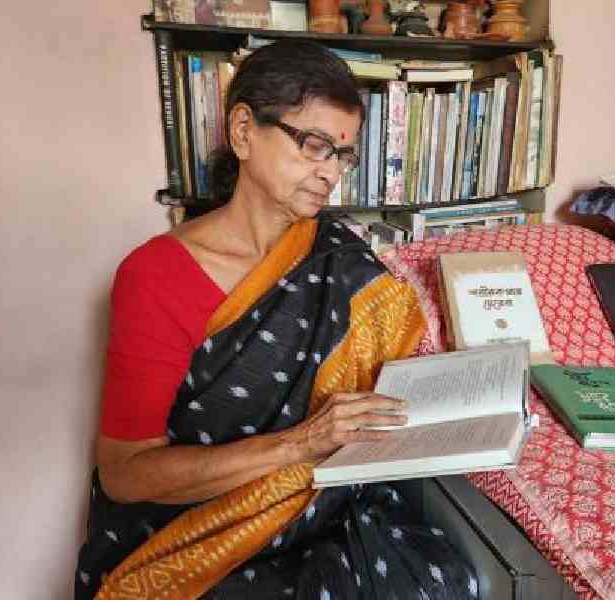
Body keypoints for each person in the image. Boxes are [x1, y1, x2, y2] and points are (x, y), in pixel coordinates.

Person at [74, 40, 477, 600]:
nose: (330, 172)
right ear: (243, 131)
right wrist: (300, 444)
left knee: (447, 577)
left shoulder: (338, 256)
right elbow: (126, 473)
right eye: (314, 145)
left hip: (324, 512)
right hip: (198, 540)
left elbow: (386, 374)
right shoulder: (158, 275)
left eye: (343, 155)